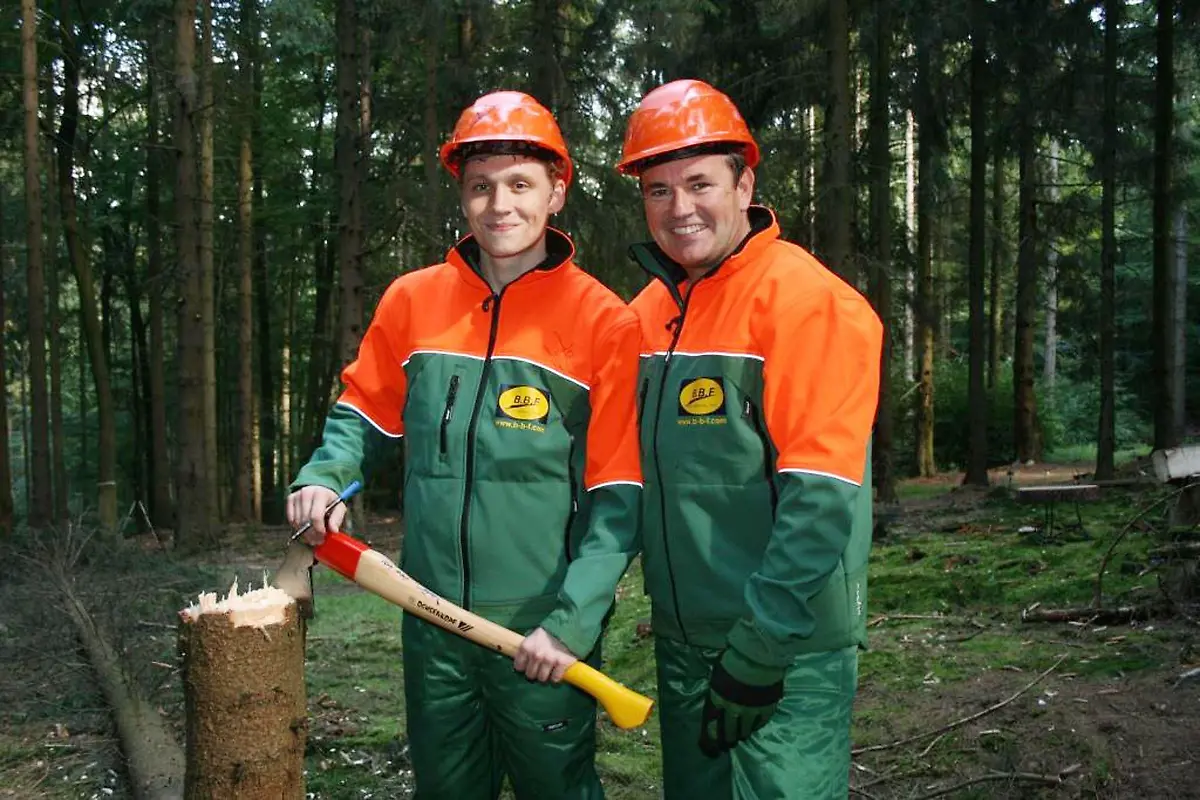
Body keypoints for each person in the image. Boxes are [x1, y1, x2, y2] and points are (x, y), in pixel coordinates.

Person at [287, 90, 643, 799]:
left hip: (538, 630)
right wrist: (326, 474)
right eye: (481, 187)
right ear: (462, 193)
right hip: (431, 618)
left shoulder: (604, 321)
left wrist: (571, 622)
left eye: (520, 184)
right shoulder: (413, 301)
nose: (499, 205)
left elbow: (618, 499)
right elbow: (362, 409)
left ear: (557, 193)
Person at [616, 79, 883, 798]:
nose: (680, 209)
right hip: (682, 639)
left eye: (699, 183)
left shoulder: (810, 304)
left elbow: (821, 499)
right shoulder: (647, 316)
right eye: (658, 190)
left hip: (786, 647)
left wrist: (763, 649)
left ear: (745, 183)